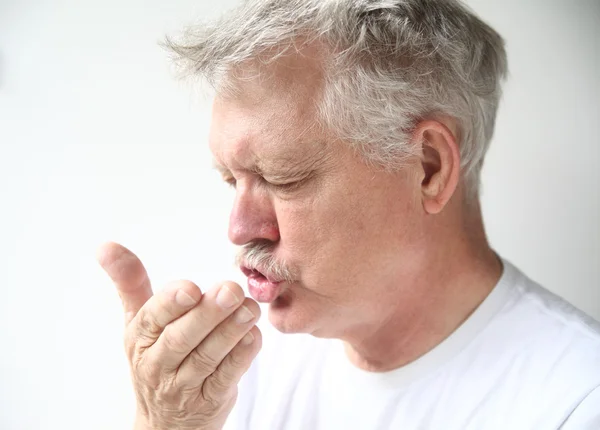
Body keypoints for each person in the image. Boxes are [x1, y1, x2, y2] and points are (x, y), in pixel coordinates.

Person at [96, 0, 600, 428]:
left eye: (282, 177)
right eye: (232, 180)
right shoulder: (225, 370)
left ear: (428, 167)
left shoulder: (575, 401)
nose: (239, 229)